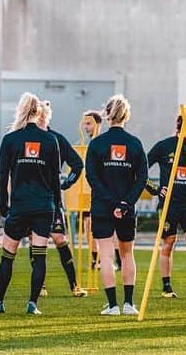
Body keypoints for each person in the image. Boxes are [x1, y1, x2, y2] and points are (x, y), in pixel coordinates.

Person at [0, 92, 62, 315]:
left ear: (21, 110)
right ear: (38, 113)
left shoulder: (10, 139)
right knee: (39, 255)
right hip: (44, 206)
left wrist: (3, 208)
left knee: (8, 254)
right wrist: (57, 207)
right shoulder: (49, 140)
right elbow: (55, 178)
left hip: (19, 205)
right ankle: (32, 304)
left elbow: (2, 175)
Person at [85, 94, 148, 316]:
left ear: (107, 115)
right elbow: (142, 178)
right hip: (126, 207)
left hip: (102, 206)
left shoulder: (96, 144)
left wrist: (112, 202)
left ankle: (113, 306)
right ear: (126, 115)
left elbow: (92, 178)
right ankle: (129, 304)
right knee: (127, 253)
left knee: (105, 254)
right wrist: (125, 202)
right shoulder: (135, 143)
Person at [147, 111, 186, 300]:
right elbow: (141, 167)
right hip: (169, 203)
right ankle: (167, 287)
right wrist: (155, 189)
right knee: (168, 243)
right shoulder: (164, 146)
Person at [37, 101, 87, 298]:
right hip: (34, 200)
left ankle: (74, 284)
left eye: (43, 115)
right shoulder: (28, 138)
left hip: (53, 200)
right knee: (36, 240)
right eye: (37, 115)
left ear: (48, 116)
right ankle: (39, 285)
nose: (40, 118)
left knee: (59, 239)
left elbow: (77, 164)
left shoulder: (56, 139)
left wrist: (67, 183)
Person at [80, 110, 102, 271]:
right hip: (87, 190)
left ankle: (111, 257)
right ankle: (95, 258)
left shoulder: (102, 143)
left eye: (89, 123)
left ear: (98, 124)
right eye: (85, 123)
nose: (86, 127)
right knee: (88, 224)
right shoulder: (85, 144)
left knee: (101, 225)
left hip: (100, 191)